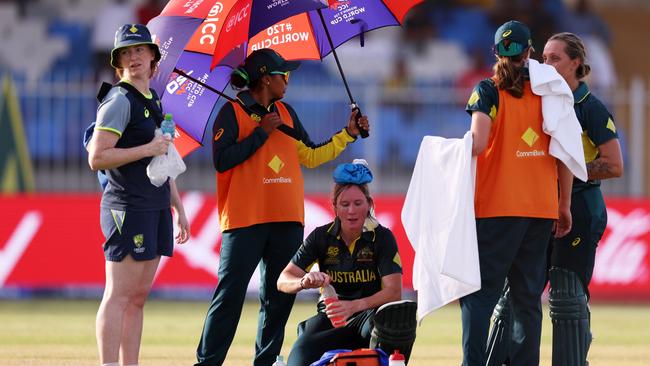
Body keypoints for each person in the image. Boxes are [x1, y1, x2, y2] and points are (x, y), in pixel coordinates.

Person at [195, 48, 370, 366]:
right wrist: (262, 133)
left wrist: (349, 134)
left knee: (278, 299)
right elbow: (223, 161)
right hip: (244, 220)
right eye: (283, 75)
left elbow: (312, 154)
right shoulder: (232, 113)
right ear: (265, 78)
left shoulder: (286, 113)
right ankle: (207, 362)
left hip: (287, 219)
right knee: (229, 297)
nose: (288, 80)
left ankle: (267, 361)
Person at [486, 31, 624, 366]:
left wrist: (565, 168)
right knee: (515, 294)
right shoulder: (540, 100)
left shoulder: (588, 107)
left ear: (576, 64)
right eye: (544, 57)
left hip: (579, 205)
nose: (545, 64)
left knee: (566, 296)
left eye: (555, 58)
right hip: (539, 205)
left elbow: (615, 165)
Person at [461, 20, 574, 365]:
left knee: (480, 297)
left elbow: (477, 144)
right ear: (529, 52)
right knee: (527, 301)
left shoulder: (487, 90)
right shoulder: (550, 90)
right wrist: (563, 205)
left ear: (495, 52)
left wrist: (444, 154)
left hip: (496, 207)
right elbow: (565, 151)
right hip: (540, 208)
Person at [87, 23, 190, 366]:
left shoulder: (154, 99)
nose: (133, 58)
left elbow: (162, 158)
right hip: (127, 207)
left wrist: (178, 206)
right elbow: (97, 157)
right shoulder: (119, 100)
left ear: (152, 60)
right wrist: (148, 146)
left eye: (140, 51)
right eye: (126, 53)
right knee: (118, 296)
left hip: (155, 205)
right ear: (118, 62)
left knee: (138, 298)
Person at [277, 160, 408, 366]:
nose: (351, 211)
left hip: (369, 317)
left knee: (396, 319)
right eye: (345, 204)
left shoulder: (382, 237)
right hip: (331, 317)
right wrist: (304, 281)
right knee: (297, 359)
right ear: (335, 207)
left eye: (358, 203)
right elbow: (283, 280)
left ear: (369, 204)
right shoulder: (320, 236)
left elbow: (394, 292)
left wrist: (354, 306)